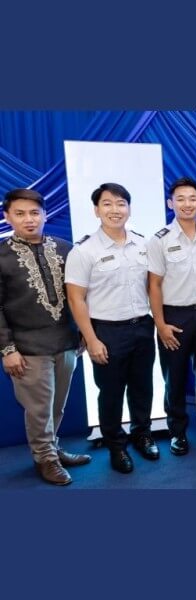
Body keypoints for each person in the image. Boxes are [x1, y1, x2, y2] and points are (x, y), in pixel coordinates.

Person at [65, 182, 158, 474]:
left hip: (143, 326)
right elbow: (76, 299)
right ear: (96, 210)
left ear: (129, 208)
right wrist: (91, 339)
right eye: (107, 204)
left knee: (143, 387)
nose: (115, 210)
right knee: (111, 392)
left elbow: (152, 286)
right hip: (107, 331)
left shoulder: (143, 243)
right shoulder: (84, 251)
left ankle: (142, 434)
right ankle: (116, 446)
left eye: (121, 204)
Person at [0, 188, 91, 485]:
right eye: (20, 213)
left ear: (45, 215)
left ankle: (51, 447)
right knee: (38, 408)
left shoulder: (65, 248)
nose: (29, 219)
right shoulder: (2, 255)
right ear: (7, 217)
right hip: (26, 348)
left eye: (34, 213)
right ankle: (45, 459)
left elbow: (80, 296)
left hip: (66, 342)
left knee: (57, 405)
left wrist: (85, 334)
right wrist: (7, 349)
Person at [146, 177, 196, 456]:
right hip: (173, 318)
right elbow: (153, 285)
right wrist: (160, 324)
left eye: (192, 199)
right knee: (174, 379)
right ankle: (177, 432)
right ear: (171, 203)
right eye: (180, 199)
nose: (187, 204)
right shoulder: (159, 240)